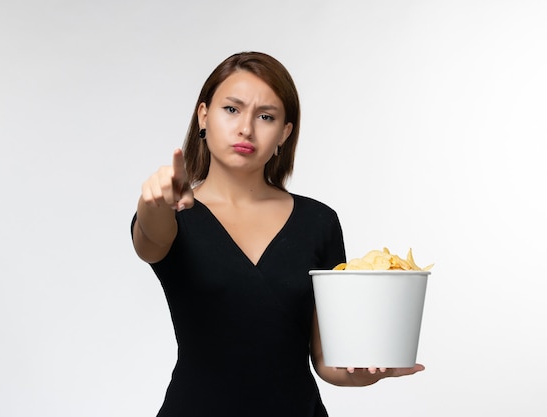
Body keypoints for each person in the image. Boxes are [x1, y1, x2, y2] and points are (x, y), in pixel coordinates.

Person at [131, 51, 424, 416]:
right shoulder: (173, 214)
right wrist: (154, 200)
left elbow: (327, 358)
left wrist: (365, 373)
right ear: (204, 115)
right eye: (232, 109)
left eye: (266, 116)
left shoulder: (319, 222)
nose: (246, 129)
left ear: (284, 132)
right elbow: (149, 239)